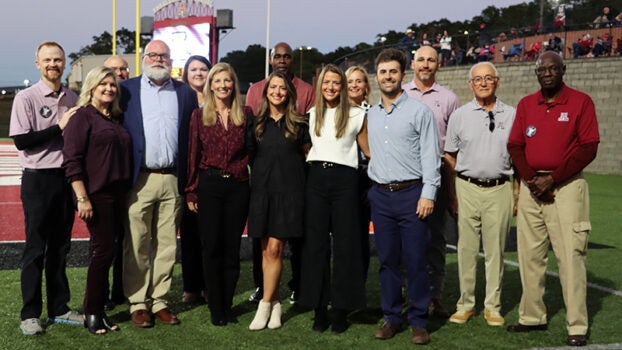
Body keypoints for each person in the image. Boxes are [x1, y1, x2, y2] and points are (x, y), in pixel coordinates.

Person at [506, 52, 599, 347]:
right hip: (533, 185)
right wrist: (531, 179)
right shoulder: (526, 104)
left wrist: (553, 178)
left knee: (571, 255)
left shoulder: (580, 102)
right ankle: (532, 317)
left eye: (552, 68)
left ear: (563, 70)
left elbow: (589, 147)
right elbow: (515, 144)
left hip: (566, 187)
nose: (547, 73)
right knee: (530, 256)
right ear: (536, 73)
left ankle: (577, 325)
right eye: (541, 69)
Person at [120, 40, 198, 328]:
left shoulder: (184, 92)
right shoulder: (127, 90)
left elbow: (191, 137)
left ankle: (161, 301)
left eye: (163, 55)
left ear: (170, 59)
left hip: (173, 178)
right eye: (152, 54)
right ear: (143, 58)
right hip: (140, 178)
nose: (158, 59)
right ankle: (138, 302)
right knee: (137, 243)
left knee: (166, 244)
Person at [9, 41, 83, 335]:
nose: (53, 64)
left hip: (65, 177)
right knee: (35, 248)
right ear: (38, 64)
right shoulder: (26, 98)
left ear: (64, 63)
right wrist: (60, 126)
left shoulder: (73, 97)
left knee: (60, 247)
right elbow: (21, 141)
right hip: (38, 178)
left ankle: (59, 307)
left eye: (58, 59)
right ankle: (30, 313)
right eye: (48, 60)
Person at [368, 48, 440, 345]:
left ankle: (419, 320)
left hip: (412, 195)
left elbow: (430, 155)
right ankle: (392, 317)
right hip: (381, 196)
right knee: (386, 261)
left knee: (415, 261)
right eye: (383, 72)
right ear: (377, 76)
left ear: (403, 75)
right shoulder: (370, 113)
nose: (388, 76)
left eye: (393, 71)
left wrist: (428, 194)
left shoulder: (419, 112)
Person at [444, 62, 517, 327]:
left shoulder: (512, 114)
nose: (483, 83)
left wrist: (517, 193)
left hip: (500, 188)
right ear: (470, 84)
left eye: (488, 78)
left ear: (497, 81)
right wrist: (453, 194)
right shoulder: (459, 116)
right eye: (477, 79)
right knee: (466, 249)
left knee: (496, 250)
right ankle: (465, 304)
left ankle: (493, 306)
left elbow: (519, 157)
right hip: (466, 187)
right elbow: (449, 156)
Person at [299, 64, 369, 334]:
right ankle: (319, 308)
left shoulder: (357, 114)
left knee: (345, 247)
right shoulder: (312, 114)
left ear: (342, 87)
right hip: (316, 180)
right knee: (316, 247)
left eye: (336, 83)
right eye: (326, 82)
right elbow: (308, 149)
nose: (330, 87)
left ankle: (341, 309)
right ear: (320, 85)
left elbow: (368, 151)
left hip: (345, 183)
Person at [62, 66, 132, 334]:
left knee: (108, 251)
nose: (109, 88)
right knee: (102, 252)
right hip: (96, 195)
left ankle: (100, 309)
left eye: (113, 85)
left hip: (118, 194)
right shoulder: (82, 117)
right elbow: (72, 160)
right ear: (91, 86)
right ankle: (92, 311)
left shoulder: (114, 118)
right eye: (103, 84)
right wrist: (82, 197)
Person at [245, 42, 315, 304]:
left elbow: (308, 153)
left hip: (290, 191)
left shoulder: (299, 122)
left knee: (278, 248)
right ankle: (267, 294)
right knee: (265, 251)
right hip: (263, 192)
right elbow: (251, 155)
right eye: (273, 87)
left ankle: (271, 301)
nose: (277, 91)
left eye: (282, 88)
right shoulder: (257, 123)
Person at [185, 62, 251, 327]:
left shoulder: (245, 114)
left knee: (231, 249)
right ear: (210, 85)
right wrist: (191, 191)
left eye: (228, 81)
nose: (223, 85)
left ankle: (227, 303)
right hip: (209, 187)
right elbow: (193, 155)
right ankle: (215, 305)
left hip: (238, 186)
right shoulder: (198, 116)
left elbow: (252, 151)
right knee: (211, 247)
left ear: (234, 84)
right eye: (218, 81)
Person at [402, 45, 460, 319]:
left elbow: (452, 149)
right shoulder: (399, 94)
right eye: (421, 60)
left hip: (435, 174)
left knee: (436, 239)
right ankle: (409, 293)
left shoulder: (449, 99)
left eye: (431, 60)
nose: (425, 64)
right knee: (409, 240)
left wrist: (451, 190)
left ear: (439, 65)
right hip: (405, 176)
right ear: (413, 64)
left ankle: (435, 296)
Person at [179, 55, 212, 304]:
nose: (199, 73)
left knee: (211, 233)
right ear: (186, 73)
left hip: (211, 174)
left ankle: (210, 283)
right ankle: (191, 286)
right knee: (189, 232)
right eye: (194, 69)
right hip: (185, 172)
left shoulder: (218, 98)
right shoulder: (180, 98)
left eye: (203, 69)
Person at [101, 54, 130, 312]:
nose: (119, 74)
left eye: (123, 69)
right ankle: (101, 295)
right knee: (103, 245)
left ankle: (121, 290)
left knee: (126, 240)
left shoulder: (129, 102)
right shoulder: (93, 109)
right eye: (113, 70)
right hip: (102, 187)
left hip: (126, 184)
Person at [345, 66, 372, 281]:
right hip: (345, 178)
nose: (354, 85)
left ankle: (359, 284)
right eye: (350, 81)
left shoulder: (376, 112)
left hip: (370, 177)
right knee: (346, 235)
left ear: (366, 86)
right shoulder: (337, 114)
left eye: (359, 81)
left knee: (362, 234)